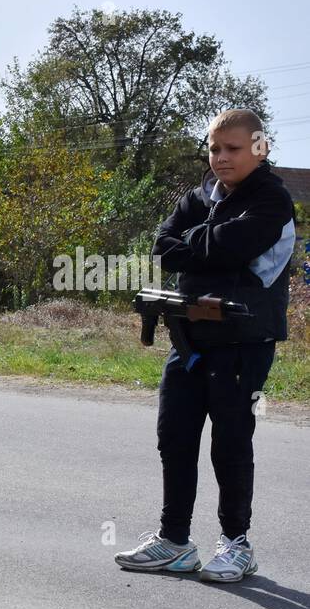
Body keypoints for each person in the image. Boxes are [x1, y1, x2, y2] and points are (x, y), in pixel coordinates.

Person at [115, 109, 295, 582]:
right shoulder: (200, 194)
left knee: (230, 442)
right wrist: (209, 246)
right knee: (173, 437)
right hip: (189, 338)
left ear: (260, 148)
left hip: (244, 340)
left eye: (232, 149)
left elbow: (232, 247)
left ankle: (237, 544)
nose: (220, 158)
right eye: (214, 148)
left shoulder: (273, 200)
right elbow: (162, 246)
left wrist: (197, 245)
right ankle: (175, 541)